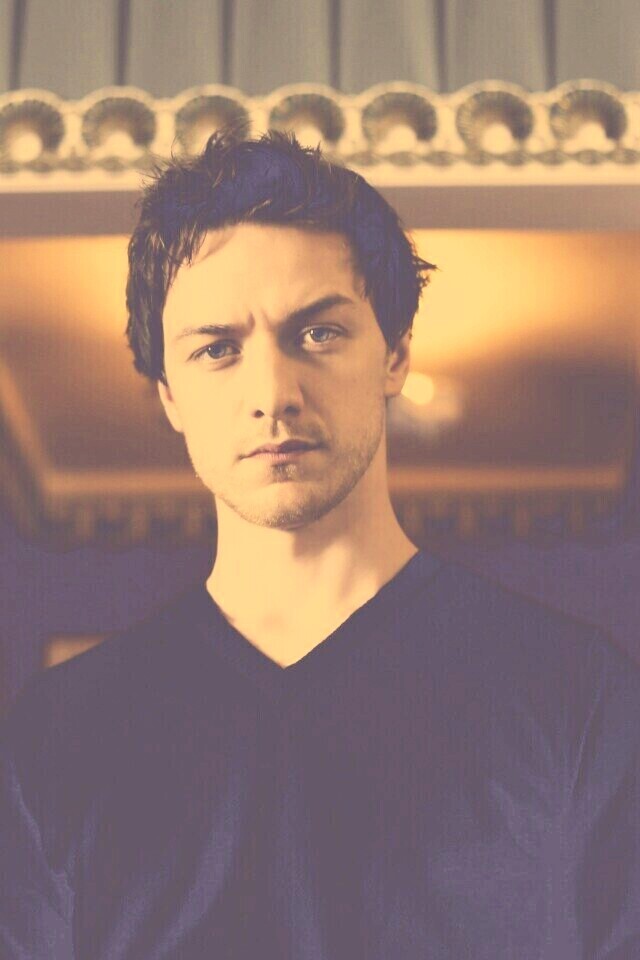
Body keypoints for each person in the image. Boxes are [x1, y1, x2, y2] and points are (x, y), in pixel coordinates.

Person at [1, 127, 639, 960]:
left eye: (318, 333)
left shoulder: (577, 695)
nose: (273, 393)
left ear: (396, 355)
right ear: (169, 396)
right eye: (217, 349)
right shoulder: (58, 733)